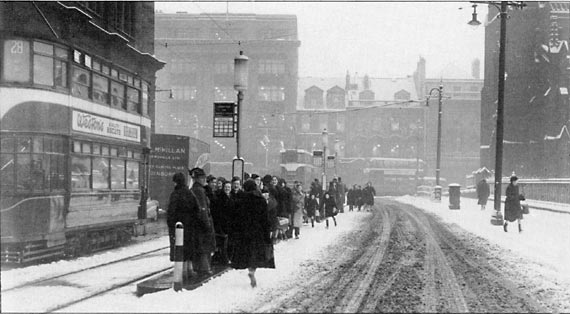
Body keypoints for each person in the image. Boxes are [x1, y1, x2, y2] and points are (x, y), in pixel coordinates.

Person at [231, 179, 275, 288]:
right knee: (256, 253)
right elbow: (265, 219)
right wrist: (267, 233)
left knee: (247, 252)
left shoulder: (239, 200)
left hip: (244, 231)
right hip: (257, 231)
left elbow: (235, 218)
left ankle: (249, 268)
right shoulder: (260, 200)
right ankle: (252, 271)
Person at [167, 172, 197, 279]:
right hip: (189, 227)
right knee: (189, 248)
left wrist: (171, 225)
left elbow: (171, 212)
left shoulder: (175, 194)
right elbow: (196, 209)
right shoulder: (189, 193)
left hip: (178, 227)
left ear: (176, 182)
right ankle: (189, 269)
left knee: (179, 249)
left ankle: (181, 272)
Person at [189, 167, 217, 275]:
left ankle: (200, 268)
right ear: (198, 179)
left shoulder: (195, 189)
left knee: (200, 247)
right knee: (204, 247)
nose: (204, 179)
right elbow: (203, 209)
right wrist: (207, 224)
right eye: (202, 177)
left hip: (197, 224)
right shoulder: (199, 191)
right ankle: (204, 269)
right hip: (202, 225)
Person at [211, 181, 233, 265]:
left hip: (229, 223)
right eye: (226, 187)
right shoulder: (220, 198)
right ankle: (224, 259)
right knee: (223, 243)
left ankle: (227, 258)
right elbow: (218, 213)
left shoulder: (231, 197)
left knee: (228, 243)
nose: (227, 189)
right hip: (223, 224)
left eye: (229, 187)